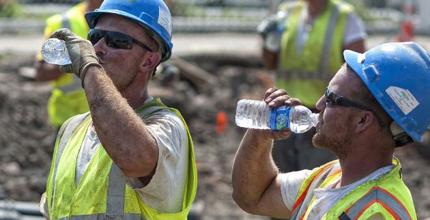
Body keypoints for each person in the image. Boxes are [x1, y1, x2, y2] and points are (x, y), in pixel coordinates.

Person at [232, 42, 429, 219]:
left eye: (331, 98)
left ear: (362, 121)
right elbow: (254, 196)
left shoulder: (375, 211)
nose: (318, 104)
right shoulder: (332, 176)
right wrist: (260, 135)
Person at [40, 0, 197, 219]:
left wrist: (89, 68)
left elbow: (135, 158)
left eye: (117, 41)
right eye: (94, 37)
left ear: (149, 60)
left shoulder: (168, 127)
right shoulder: (71, 130)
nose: (97, 49)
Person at [258, 0, 367, 173]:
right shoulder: (288, 12)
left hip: (320, 117)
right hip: (283, 114)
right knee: (282, 185)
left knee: (314, 185)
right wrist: (270, 40)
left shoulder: (344, 16)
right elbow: (270, 62)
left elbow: (358, 73)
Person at [35, 0, 102, 130]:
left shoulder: (121, 22)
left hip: (107, 121)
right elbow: (41, 72)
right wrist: (72, 58)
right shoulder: (63, 22)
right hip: (68, 123)